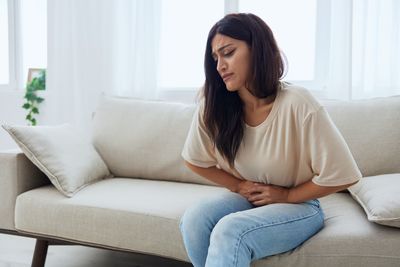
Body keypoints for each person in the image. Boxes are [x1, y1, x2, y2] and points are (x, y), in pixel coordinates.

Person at [179, 13, 362, 267]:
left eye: (228, 52)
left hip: (299, 206)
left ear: (257, 49)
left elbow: (344, 174)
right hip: (250, 200)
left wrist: (288, 196)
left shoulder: (299, 103)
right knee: (195, 219)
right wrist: (238, 185)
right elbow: (194, 160)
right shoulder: (214, 106)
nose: (220, 65)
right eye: (215, 58)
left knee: (231, 230)